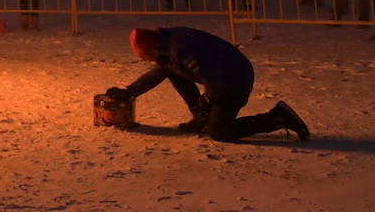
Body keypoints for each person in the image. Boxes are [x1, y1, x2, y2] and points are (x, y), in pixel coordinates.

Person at [106, 27, 309, 142]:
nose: (145, 61)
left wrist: (206, 101)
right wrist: (129, 92)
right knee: (171, 71)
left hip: (234, 81)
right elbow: (159, 73)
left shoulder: (180, 51)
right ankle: (203, 118)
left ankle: (277, 118)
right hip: (224, 74)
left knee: (219, 131)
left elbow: (215, 77)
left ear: (149, 49)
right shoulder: (167, 45)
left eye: (144, 57)